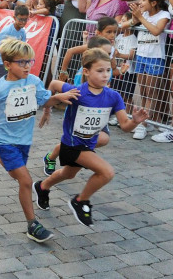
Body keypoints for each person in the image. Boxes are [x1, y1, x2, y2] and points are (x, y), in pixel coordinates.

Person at [0, 38, 80, 242]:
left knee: (16, 175)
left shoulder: (34, 81)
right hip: (3, 138)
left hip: (23, 139)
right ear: (7, 64)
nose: (27, 66)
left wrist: (55, 100)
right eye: (21, 62)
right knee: (25, 180)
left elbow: (43, 98)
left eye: (29, 61)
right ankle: (33, 225)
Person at [33, 48, 148, 227]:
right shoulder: (77, 91)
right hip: (72, 145)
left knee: (68, 174)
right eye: (100, 71)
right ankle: (80, 201)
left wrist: (135, 122)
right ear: (86, 72)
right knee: (106, 172)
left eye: (108, 70)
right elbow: (54, 84)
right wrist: (51, 105)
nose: (105, 75)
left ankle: (42, 187)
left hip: (88, 143)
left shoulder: (113, 96)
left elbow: (125, 126)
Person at [44, 35, 114, 176]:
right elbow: (59, 86)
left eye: (108, 54)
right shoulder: (83, 75)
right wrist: (47, 108)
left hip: (97, 113)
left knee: (103, 138)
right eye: (103, 53)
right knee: (72, 146)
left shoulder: (107, 70)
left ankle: (81, 154)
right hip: (79, 113)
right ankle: (51, 157)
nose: (107, 57)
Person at [122, 0, 171, 140]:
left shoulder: (164, 15)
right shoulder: (143, 14)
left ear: (154, 3)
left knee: (151, 92)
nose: (140, 3)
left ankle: (143, 125)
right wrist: (128, 21)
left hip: (155, 57)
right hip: (141, 56)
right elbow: (128, 24)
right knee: (143, 92)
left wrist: (140, 18)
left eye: (143, 0)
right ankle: (146, 120)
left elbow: (156, 31)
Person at [0, 5, 29, 82]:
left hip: (12, 61)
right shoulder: (7, 30)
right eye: (21, 19)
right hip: (1, 61)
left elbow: (23, 47)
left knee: (10, 79)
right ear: (14, 18)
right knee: (3, 81)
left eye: (25, 20)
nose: (23, 22)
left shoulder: (22, 32)